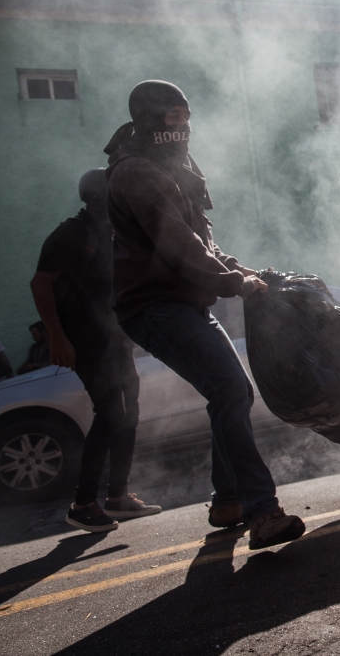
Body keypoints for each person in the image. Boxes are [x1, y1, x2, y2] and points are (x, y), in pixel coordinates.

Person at [103, 80, 304, 550]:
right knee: (230, 389)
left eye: (186, 117)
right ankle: (262, 511)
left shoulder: (174, 167)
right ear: (150, 120)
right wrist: (233, 285)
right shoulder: (136, 173)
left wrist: (244, 270)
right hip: (154, 307)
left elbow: (204, 245)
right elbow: (179, 244)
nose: (183, 127)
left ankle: (228, 500)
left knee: (229, 393)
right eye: (173, 119)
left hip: (183, 303)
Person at [31, 169, 160, 533]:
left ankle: (117, 497)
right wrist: (57, 338)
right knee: (110, 414)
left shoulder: (113, 230)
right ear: (98, 195)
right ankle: (82, 504)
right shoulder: (73, 233)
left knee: (129, 411)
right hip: (85, 341)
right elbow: (40, 284)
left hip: (114, 339)